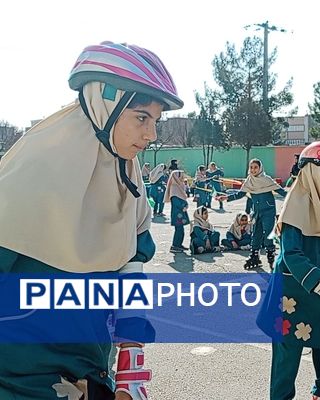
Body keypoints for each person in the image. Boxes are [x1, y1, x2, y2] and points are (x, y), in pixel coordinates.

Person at [0, 40, 183, 399]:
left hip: (92, 373)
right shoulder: (29, 174)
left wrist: (131, 372)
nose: (152, 135)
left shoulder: (127, 181)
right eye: (142, 118)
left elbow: (132, 275)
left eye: (156, 121)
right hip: (23, 380)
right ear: (106, 106)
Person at [259, 141, 320, 400]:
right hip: (291, 295)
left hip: (319, 293)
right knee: (287, 360)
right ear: (315, 174)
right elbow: (291, 256)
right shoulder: (295, 207)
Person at [217, 158, 287, 269]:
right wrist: (226, 197)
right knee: (256, 234)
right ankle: (254, 256)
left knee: (268, 233)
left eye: (255, 167)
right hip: (256, 212)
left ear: (260, 168)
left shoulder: (267, 180)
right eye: (251, 167)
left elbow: (282, 192)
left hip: (268, 211)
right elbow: (240, 194)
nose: (253, 170)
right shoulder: (249, 181)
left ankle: (271, 254)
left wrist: (294, 197)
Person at [165, 170, 190, 253]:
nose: (181, 177)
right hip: (177, 213)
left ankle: (179, 244)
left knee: (181, 230)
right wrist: (183, 206)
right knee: (179, 230)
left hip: (181, 212)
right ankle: (175, 246)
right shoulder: (174, 187)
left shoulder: (180, 186)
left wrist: (186, 205)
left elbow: (183, 198)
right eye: (180, 175)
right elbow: (175, 200)